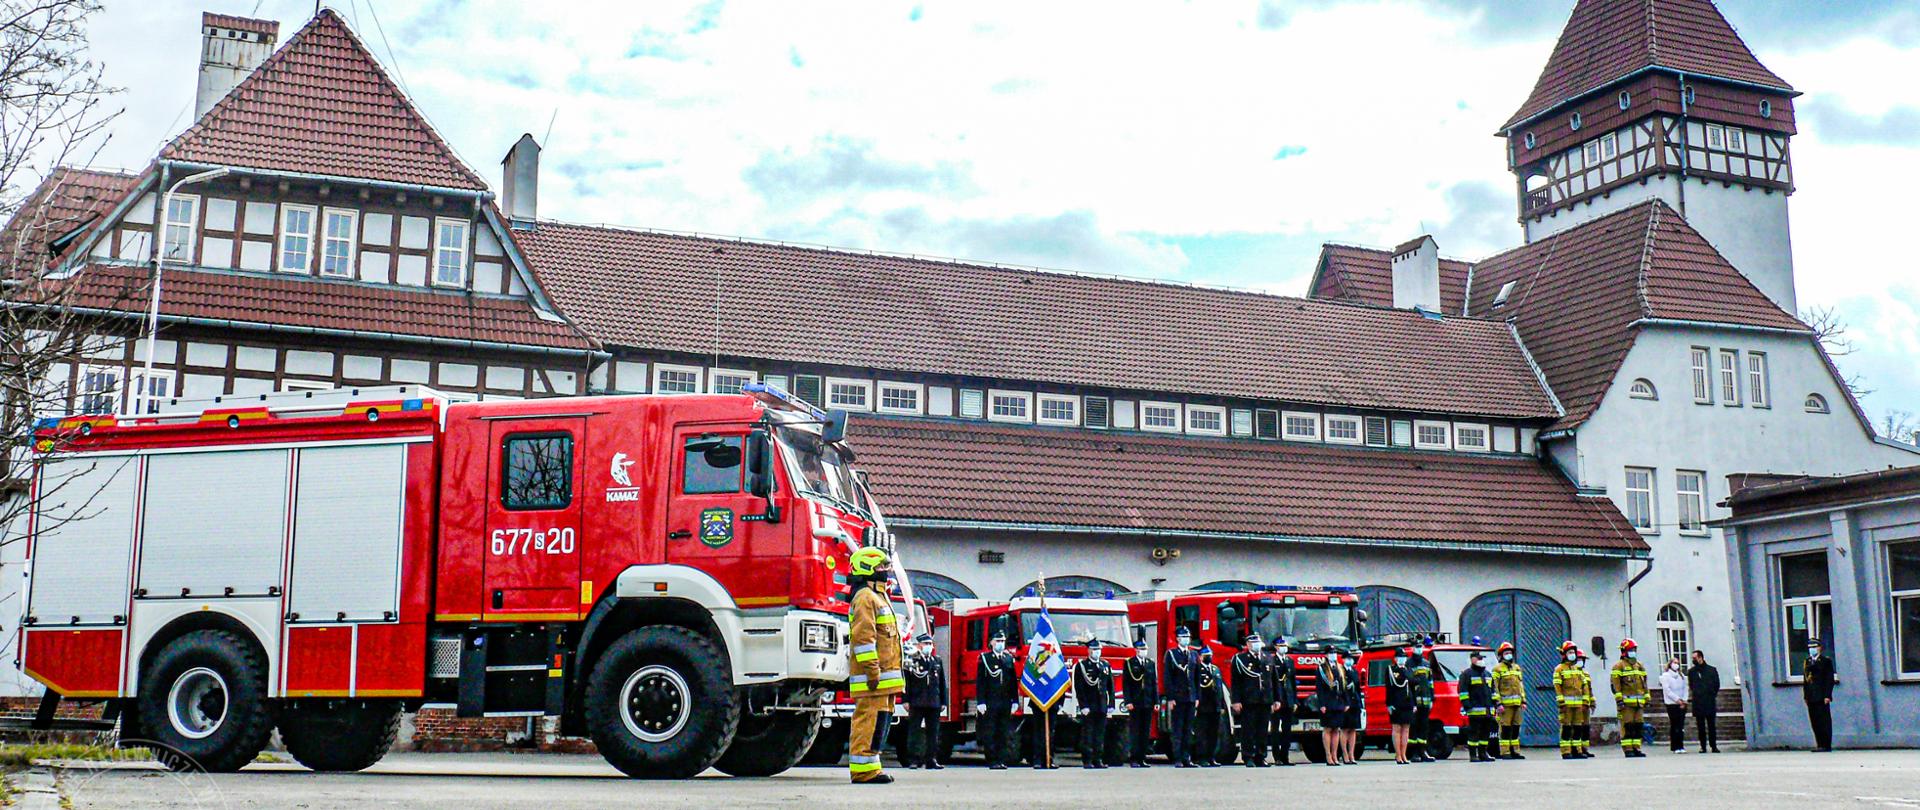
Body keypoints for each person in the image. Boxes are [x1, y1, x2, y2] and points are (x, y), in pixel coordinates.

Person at [845, 547, 904, 784]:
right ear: (867, 568)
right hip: (873, 678)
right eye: (881, 567)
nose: (885, 572)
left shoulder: (878, 597)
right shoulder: (865, 598)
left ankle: (871, 767)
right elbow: (863, 639)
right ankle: (863, 770)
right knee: (868, 722)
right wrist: (872, 671)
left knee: (879, 723)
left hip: (884, 679)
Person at [902, 633, 946, 769]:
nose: (928, 646)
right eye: (926, 644)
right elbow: (906, 682)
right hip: (917, 701)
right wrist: (906, 699)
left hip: (934, 702)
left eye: (930, 644)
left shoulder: (936, 661)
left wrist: (943, 701)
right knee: (914, 732)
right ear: (919, 645)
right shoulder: (913, 661)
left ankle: (931, 759)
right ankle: (914, 760)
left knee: (933, 732)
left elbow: (942, 683)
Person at [975, 630, 1018, 770]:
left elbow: (1012, 682)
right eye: (998, 641)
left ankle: (1001, 759)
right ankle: (992, 760)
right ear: (991, 642)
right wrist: (981, 701)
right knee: (991, 731)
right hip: (990, 701)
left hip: (1005, 701)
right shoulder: (985, 658)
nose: (1000, 644)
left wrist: (1015, 701)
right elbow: (981, 682)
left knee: (1003, 732)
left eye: (1002, 641)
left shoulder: (1008, 658)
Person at [1230, 632, 1272, 767]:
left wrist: (1276, 699)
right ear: (1247, 644)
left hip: (1264, 699)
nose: (1256, 645)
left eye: (1257, 642)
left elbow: (1274, 680)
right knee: (1248, 730)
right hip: (1249, 699)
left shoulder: (1267, 657)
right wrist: (1236, 700)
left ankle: (1261, 756)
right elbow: (1235, 682)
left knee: (1263, 730)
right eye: (1253, 642)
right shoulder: (1240, 659)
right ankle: (1248, 756)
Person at [1072, 639, 1115, 769]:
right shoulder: (1082, 666)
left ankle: (1098, 759)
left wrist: (1111, 704)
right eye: (1094, 650)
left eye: (1099, 650)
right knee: (1088, 733)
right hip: (1089, 706)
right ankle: (1088, 760)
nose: (1097, 652)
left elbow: (1110, 687)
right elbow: (1079, 688)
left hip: (1101, 704)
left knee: (1100, 733)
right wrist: (1083, 705)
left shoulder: (1105, 665)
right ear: (1089, 650)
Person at [1162, 627, 1200, 767]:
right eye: (1183, 637)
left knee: (1188, 729)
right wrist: (1170, 697)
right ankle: (1177, 758)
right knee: (1177, 729)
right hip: (1178, 698)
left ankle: (1186, 757)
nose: (1186, 639)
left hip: (1190, 697)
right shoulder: (1171, 654)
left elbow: (1196, 677)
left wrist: (1197, 697)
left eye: (1188, 636)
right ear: (1177, 638)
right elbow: (1168, 678)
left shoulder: (1193, 655)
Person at [1121, 638, 1158, 768]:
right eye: (1142, 649)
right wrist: (1128, 701)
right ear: (1136, 650)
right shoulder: (1130, 663)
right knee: (1135, 731)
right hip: (1135, 702)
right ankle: (1134, 758)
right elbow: (1126, 684)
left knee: (1145, 731)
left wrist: (1156, 701)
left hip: (1147, 701)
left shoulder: (1150, 663)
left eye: (1145, 649)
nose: (1144, 651)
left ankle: (1142, 758)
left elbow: (1153, 683)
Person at [1610, 639, 1649, 759]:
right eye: (1631, 650)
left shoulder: (1639, 666)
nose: (1633, 652)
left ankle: (1637, 748)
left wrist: (1647, 696)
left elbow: (1644, 684)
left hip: (1639, 703)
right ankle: (1628, 749)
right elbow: (1615, 686)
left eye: (1634, 650)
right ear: (1624, 651)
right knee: (1627, 726)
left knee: (1638, 726)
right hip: (1626, 704)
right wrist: (1619, 700)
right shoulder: (1618, 666)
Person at [1458, 648, 1497, 763]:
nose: (1480, 660)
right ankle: (1473, 754)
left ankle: (1483, 753)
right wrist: (1467, 705)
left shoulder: (1488, 674)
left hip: (1488, 711)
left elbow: (1493, 692)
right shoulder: (1467, 674)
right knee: (1474, 733)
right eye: (1478, 658)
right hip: (1474, 711)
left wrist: (1495, 704)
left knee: (1485, 734)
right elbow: (1463, 692)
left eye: (1481, 658)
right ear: (1472, 660)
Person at [1552, 640, 1587, 761]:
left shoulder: (1577, 669)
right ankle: (1566, 751)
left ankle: (1577, 750)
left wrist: (1585, 701)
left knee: (1577, 728)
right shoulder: (1559, 669)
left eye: (1573, 652)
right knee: (1566, 728)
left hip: (1578, 705)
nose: (1572, 654)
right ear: (1564, 654)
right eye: (1570, 652)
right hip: (1566, 705)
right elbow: (1557, 687)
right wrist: (1561, 701)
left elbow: (1583, 686)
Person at [1491, 642, 1527, 759]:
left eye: (1510, 652)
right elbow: (1494, 687)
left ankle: (1515, 751)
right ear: (1501, 655)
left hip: (1517, 704)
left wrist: (1523, 701)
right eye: (1506, 653)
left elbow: (1520, 685)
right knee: (1505, 728)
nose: (1509, 655)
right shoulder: (1497, 669)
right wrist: (1498, 703)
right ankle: (1505, 752)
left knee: (1516, 728)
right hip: (1505, 706)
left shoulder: (1516, 668)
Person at [1316, 648, 1350, 766]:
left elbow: (1343, 686)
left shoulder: (1339, 667)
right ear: (1326, 655)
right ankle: (1328, 755)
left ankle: (1335, 755)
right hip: (1327, 702)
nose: (1333, 655)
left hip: (1338, 702)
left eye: (1334, 653)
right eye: (1331, 653)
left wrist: (1346, 702)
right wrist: (1321, 704)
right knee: (1328, 729)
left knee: (1336, 730)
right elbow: (1319, 688)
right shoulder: (1322, 668)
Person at [1803, 637, 1836, 752]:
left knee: (1824, 721)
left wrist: (1827, 695)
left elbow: (1829, 679)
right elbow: (1806, 681)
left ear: (1820, 648)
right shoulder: (1807, 661)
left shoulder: (1825, 661)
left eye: (1814, 647)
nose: (1812, 649)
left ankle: (1826, 744)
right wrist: (1806, 696)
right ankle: (1819, 744)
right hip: (1811, 696)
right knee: (1815, 721)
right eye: (1810, 647)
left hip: (1821, 696)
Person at [1193, 648, 1225, 767]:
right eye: (1206, 655)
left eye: (1210, 655)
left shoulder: (1215, 669)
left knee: (1214, 733)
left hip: (1215, 706)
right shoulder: (1197, 669)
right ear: (1200, 657)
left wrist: (1221, 705)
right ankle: (1202, 757)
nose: (1209, 657)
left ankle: (1211, 757)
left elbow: (1219, 688)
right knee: (1202, 733)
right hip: (1203, 706)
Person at [1268, 639, 1298, 766]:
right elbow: (1271, 683)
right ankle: (1276, 757)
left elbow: (1292, 682)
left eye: (1284, 646)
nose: (1283, 648)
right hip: (1277, 699)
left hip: (1288, 699)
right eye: (1281, 646)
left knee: (1287, 730)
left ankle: (1285, 756)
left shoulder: (1289, 661)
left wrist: (1295, 701)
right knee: (1275, 729)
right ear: (1275, 647)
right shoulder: (1272, 661)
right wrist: (1273, 700)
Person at [1687, 650, 1722, 753]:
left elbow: (1716, 685)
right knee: (1700, 726)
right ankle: (1703, 746)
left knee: (1711, 725)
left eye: (1695, 658)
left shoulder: (1711, 670)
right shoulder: (1692, 672)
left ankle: (1713, 746)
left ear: (1700, 658)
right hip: (1698, 702)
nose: (1693, 660)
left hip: (1709, 701)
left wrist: (1711, 694)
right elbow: (1692, 686)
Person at [1405, 639, 1433, 763]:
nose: (1419, 648)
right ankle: (1413, 753)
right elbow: (1408, 683)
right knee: (1413, 727)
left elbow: (1430, 682)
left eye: (1420, 646)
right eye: (1416, 646)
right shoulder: (1408, 663)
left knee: (1424, 727)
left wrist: (1432, 697)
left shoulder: (1427, 663)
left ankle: (1423, 751)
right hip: (1414, 701)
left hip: (1426, 701)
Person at [1386, 647, 1414, 764]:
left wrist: (1414, 704)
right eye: (1400, 657)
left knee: (1406, 729)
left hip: (1408, 703)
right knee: (1397, 729)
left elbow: (1412, 687)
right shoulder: (1391, 670)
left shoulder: (1408, 670)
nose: (1402, 659)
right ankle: (1398, 755)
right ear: (1395, 658)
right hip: (1396, 703)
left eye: (1404, 657)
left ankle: (1404, 754)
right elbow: (1389, 687)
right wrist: (1389, 704)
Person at [1659, 655, 1690, 753]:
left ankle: (1681, 745)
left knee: (1681, 725)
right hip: (1672, 703)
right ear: (1670, 664)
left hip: (1682, 703)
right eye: (1674, 663)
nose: (1676, 665)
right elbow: (1667, 691)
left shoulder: (1682, 676)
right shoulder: (1665, 676)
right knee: (1675, 724)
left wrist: (1684, 700)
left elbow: (1685, 688)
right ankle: (1675, 746)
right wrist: (1677, 700)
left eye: (1678, 663)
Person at [1337, 649, 1362, 764]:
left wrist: (1360, 704)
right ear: (1343, 660)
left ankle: (1352, 754)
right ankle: (1344, 754)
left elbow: (1358, 688)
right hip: (1345, 703)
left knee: (1353, 729)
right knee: (1344, 729)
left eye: (1351, 659)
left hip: (1354, 703)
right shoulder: (1340, 671)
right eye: (1348, 659)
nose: (1350, 661)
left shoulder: (1354, 671)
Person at [1575, 648, 1596, 758]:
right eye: (1579, 659)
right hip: (1576, 705)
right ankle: (1577, 749)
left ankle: (1585, 749)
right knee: (1577, 728)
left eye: (1582, 659)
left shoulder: (1586, 674)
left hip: (1586, 706)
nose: (1581, 661)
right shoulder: (1573, 673)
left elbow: (1590, 690)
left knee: (1585, 728)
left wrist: (1592, 702)